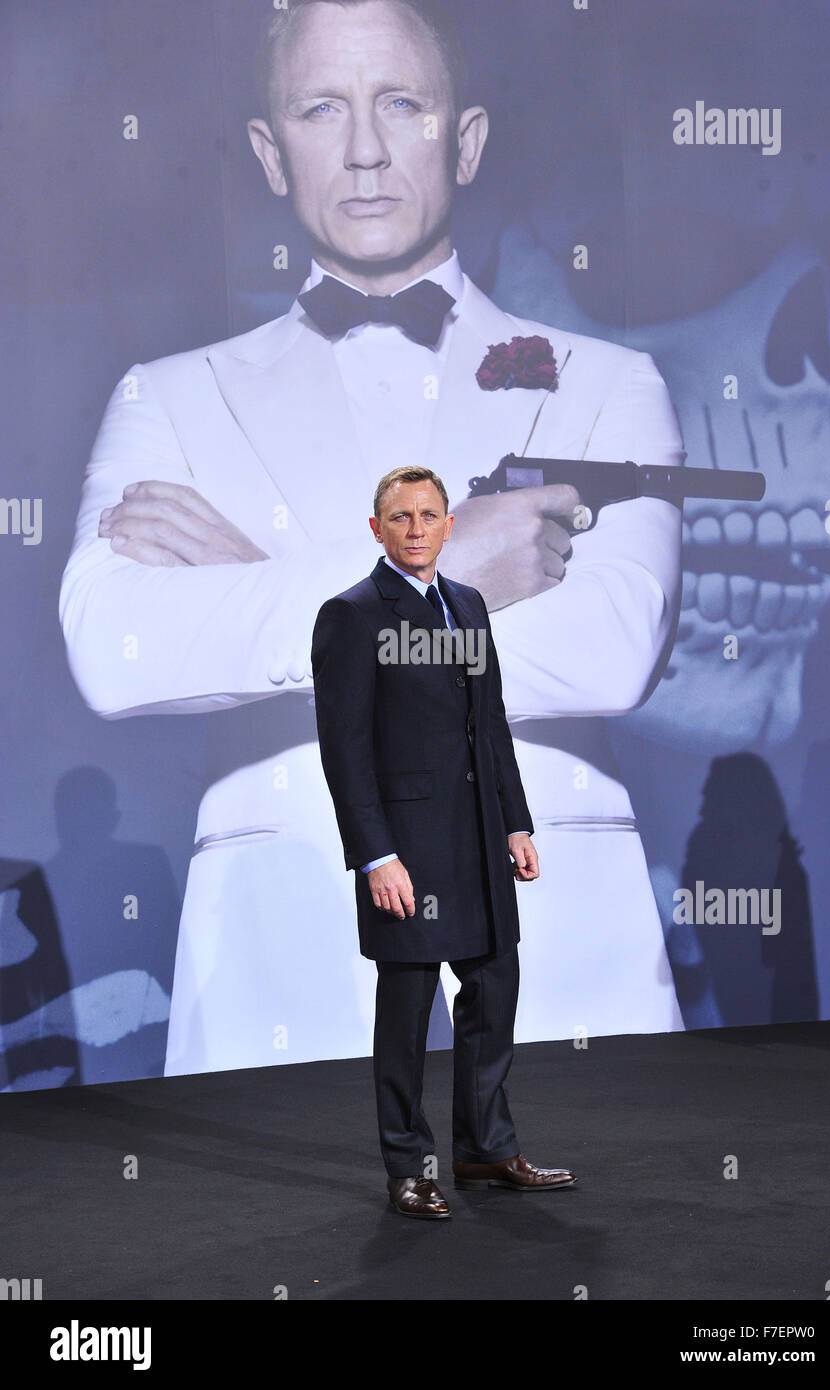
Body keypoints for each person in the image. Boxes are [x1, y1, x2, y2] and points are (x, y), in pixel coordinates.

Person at [60, 0, 685, 1079]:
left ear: (467, 137)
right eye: (319, 108)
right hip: (276, 966)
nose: (362, 150)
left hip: (558, 955)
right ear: (269, 153)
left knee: (594, 1248)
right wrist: (456, 575)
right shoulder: (166, 397)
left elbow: (611, 645)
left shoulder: (608, 388)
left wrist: (262, 588)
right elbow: (115, 648)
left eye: (401, 102)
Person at [312, 465, 576, 1216]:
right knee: (407, 1007)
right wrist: (374, 854)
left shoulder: (468, 605)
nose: (417, 527)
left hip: (479, 841)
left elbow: (488, 724)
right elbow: (346, 749)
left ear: (449, 524)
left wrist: (516, 820)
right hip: (406, 850)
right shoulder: (352, 614)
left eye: (429, 514)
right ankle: (407, 1166)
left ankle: (485, 1152)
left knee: (494, 989)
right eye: (401, 516)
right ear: (377, 529)